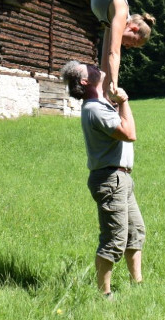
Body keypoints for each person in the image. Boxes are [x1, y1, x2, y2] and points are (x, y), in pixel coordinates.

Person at [61, 60, 145, 299]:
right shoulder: (95, 109)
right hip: (110, 179)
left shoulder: (100, 104)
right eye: (89, 68)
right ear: (85, 81)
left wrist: (116, 102)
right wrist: (124, 101)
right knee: (114, 239)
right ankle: (103, 295)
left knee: (135, 232)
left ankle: (137, 285)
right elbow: (129, 134)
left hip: (121, 178)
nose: (94, 66)